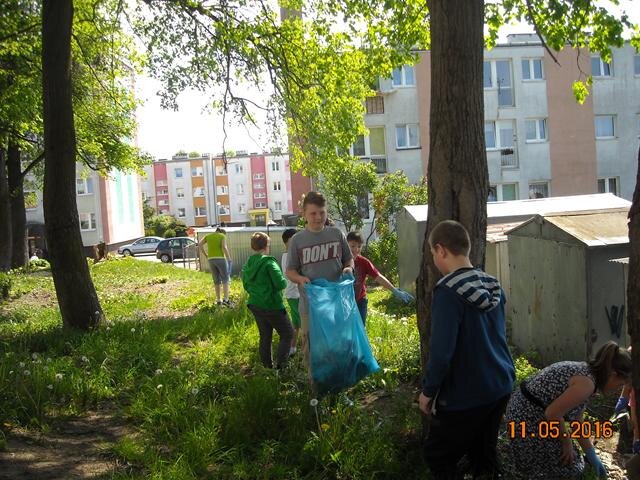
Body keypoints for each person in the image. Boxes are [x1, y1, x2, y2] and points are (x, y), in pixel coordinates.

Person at [418, 220, 515, 480]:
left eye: (433, 253)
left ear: (441, 250)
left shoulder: (448, 292)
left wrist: (428, 392)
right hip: (500, 383)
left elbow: (441, 353)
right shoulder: (492, 284)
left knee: (437, 456)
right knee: (483, 452)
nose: (434, 259)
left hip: (468, 392)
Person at [505, 341, 631, 479]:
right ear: (613, 374)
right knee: (569, 468)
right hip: (525, 419)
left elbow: (577, 420)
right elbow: (552, 413)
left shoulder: (588, 375)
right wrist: (567, 442)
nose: (618, 389)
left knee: (575, 462)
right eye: (621, 384)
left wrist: (591, 454)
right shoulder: (587, 384)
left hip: (524, 412)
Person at [285, 191, 354, 364]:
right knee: (312, 350)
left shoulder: (336, 234)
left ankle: (337, 375)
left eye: (322, 212)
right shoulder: (297, 240)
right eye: (313, 213)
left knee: (338, 345)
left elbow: (349, 259)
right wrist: (300, 279)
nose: (318, 217)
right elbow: (290, 271)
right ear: (304, 214)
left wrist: (348, 268)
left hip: (336, 303)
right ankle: (315, 379)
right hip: (310, 306)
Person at [241, 232, 294, 369]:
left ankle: (267, 367)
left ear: (253, 246)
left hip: (255, 304)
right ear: (266, 246)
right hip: (272, 305)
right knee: (287, 334)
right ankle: (281, 368)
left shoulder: (248, 263)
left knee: (265, 336)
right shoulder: (269, 262)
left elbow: (246, 284)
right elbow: (281, 284)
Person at [346, 231, 413, 325]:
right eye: (353, 246)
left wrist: (394, 291)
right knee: (346, 330)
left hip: (360, 301)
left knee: (360, 329)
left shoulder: (364, 262)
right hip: (344, 303)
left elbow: (378, 276)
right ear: (346, 245)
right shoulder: (340, 261)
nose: (356, 249)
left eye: (359, 246)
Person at [199, 226, 232, 306]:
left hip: (211, 260)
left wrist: (206, 255)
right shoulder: (222, 236)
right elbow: (224, 247)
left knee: (216, 280)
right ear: (222, 233)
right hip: (220, 259)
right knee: (225, 279)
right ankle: (226, 300)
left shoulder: (208, 236)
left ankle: (218, 300)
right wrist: (229, 258)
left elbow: (199, 244)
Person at [281, 228, 301, 356]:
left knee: (297, 323)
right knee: (302, 322)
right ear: (286, 242)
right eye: (293, 240)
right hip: (294, 295)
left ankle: (292, 347)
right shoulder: (288, 256)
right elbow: (290, 275)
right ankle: (305, 348)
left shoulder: (292, 255)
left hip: (295, 294)